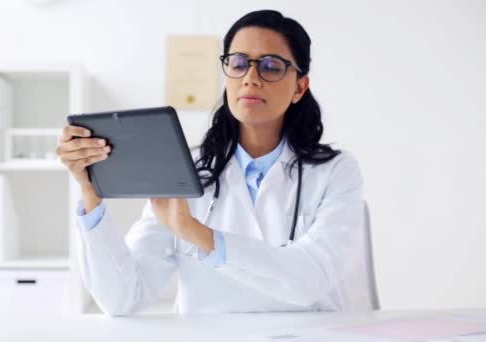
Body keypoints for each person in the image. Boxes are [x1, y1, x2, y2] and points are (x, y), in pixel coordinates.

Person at [56, 9, 365, 315]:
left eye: (271, 66)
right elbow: (122, 298)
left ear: (299, 87)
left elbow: (309, 280)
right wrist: (91, 192)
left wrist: (195, 233)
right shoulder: (185, 169)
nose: (251, 78)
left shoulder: (336, 172)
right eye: (239, 63)